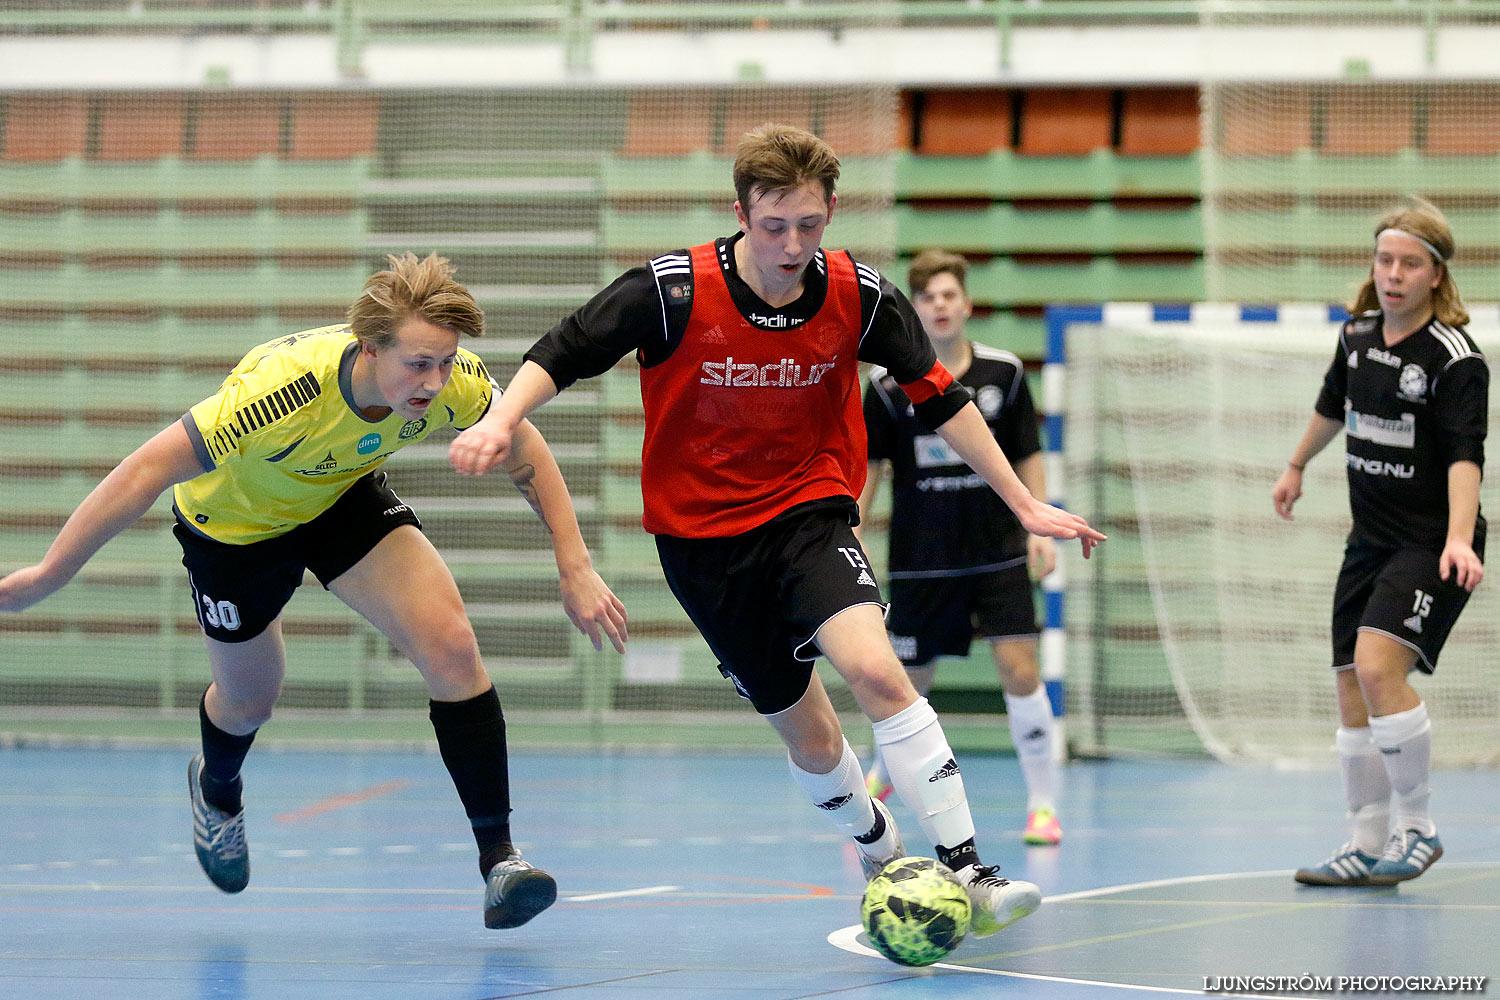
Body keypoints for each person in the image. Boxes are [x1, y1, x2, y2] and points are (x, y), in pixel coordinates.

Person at [450, 123, 1104, 937]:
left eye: (810, 224)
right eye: (774, 226)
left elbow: (936, 394)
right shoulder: (673, 291)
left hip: (809, 510)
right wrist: (501, 418)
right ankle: (878, 846)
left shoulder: (858, 295)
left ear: (830, 213)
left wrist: (1022, 501)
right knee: (811, 737)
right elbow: (568, 347)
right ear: (741, 214)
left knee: (877, 672)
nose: (793, 244)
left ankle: (968, 866)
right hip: (702, 545)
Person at [0, 252, 628, 929]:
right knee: (250, 698)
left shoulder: (454, 383)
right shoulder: (279, 396)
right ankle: (217, 791)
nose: (434, 380)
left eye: (445, 362)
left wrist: (574, 563)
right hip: (234, 530)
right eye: (417, 363)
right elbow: (144, 471)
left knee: (450, 648)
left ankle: (500, 862)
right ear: (368, 348)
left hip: (336, 499)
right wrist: (49, 574)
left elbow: (521, 443)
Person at [1272, 199, 1486, 887]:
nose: (1393, 274)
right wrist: (1297, 464)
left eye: (1410, 263)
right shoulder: (1357, 336)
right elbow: (1334, 404)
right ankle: (1364, 844)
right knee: (1348, 686)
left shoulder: (1455, 358)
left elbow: (1464, 454)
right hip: (1368, 541)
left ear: (1435, 276)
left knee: (1375, 667)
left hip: (1431, 542)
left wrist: (1459, 538)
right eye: (1385, 259)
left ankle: (1417, 830)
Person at [855, 249, 1062, 847]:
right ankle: (881, 775)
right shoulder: (888, 387)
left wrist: (1037, 528)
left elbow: (1027, 453)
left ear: (965, 304)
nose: (939, 305)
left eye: (949, 295)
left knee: (1021, 673)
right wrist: (855, 530)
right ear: (915, 311)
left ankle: (1043, 806)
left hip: (997, 554)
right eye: (927, 297)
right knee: (904, 683)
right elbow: (871, 468)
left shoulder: (1005, 374)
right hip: (922, 559)